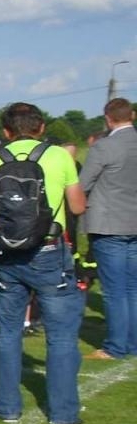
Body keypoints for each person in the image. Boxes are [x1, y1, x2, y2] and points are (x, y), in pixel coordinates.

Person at [0, 102, 87, 424]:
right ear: (41, 128)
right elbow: (77, 207)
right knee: (61, 336)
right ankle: (63, 413)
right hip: (49, 251)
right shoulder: (59, 156)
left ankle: (8, 408)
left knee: (8, 334)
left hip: (8, 253)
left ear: (6, 131)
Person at [81, 98, 137, 360]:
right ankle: (132, 342)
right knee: (132, 287)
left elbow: (83, 183)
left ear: (108, 118)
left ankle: (115, 345)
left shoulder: (104, 146)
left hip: (108, 223)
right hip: (133, 222)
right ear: (132, 115)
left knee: (114, 290)